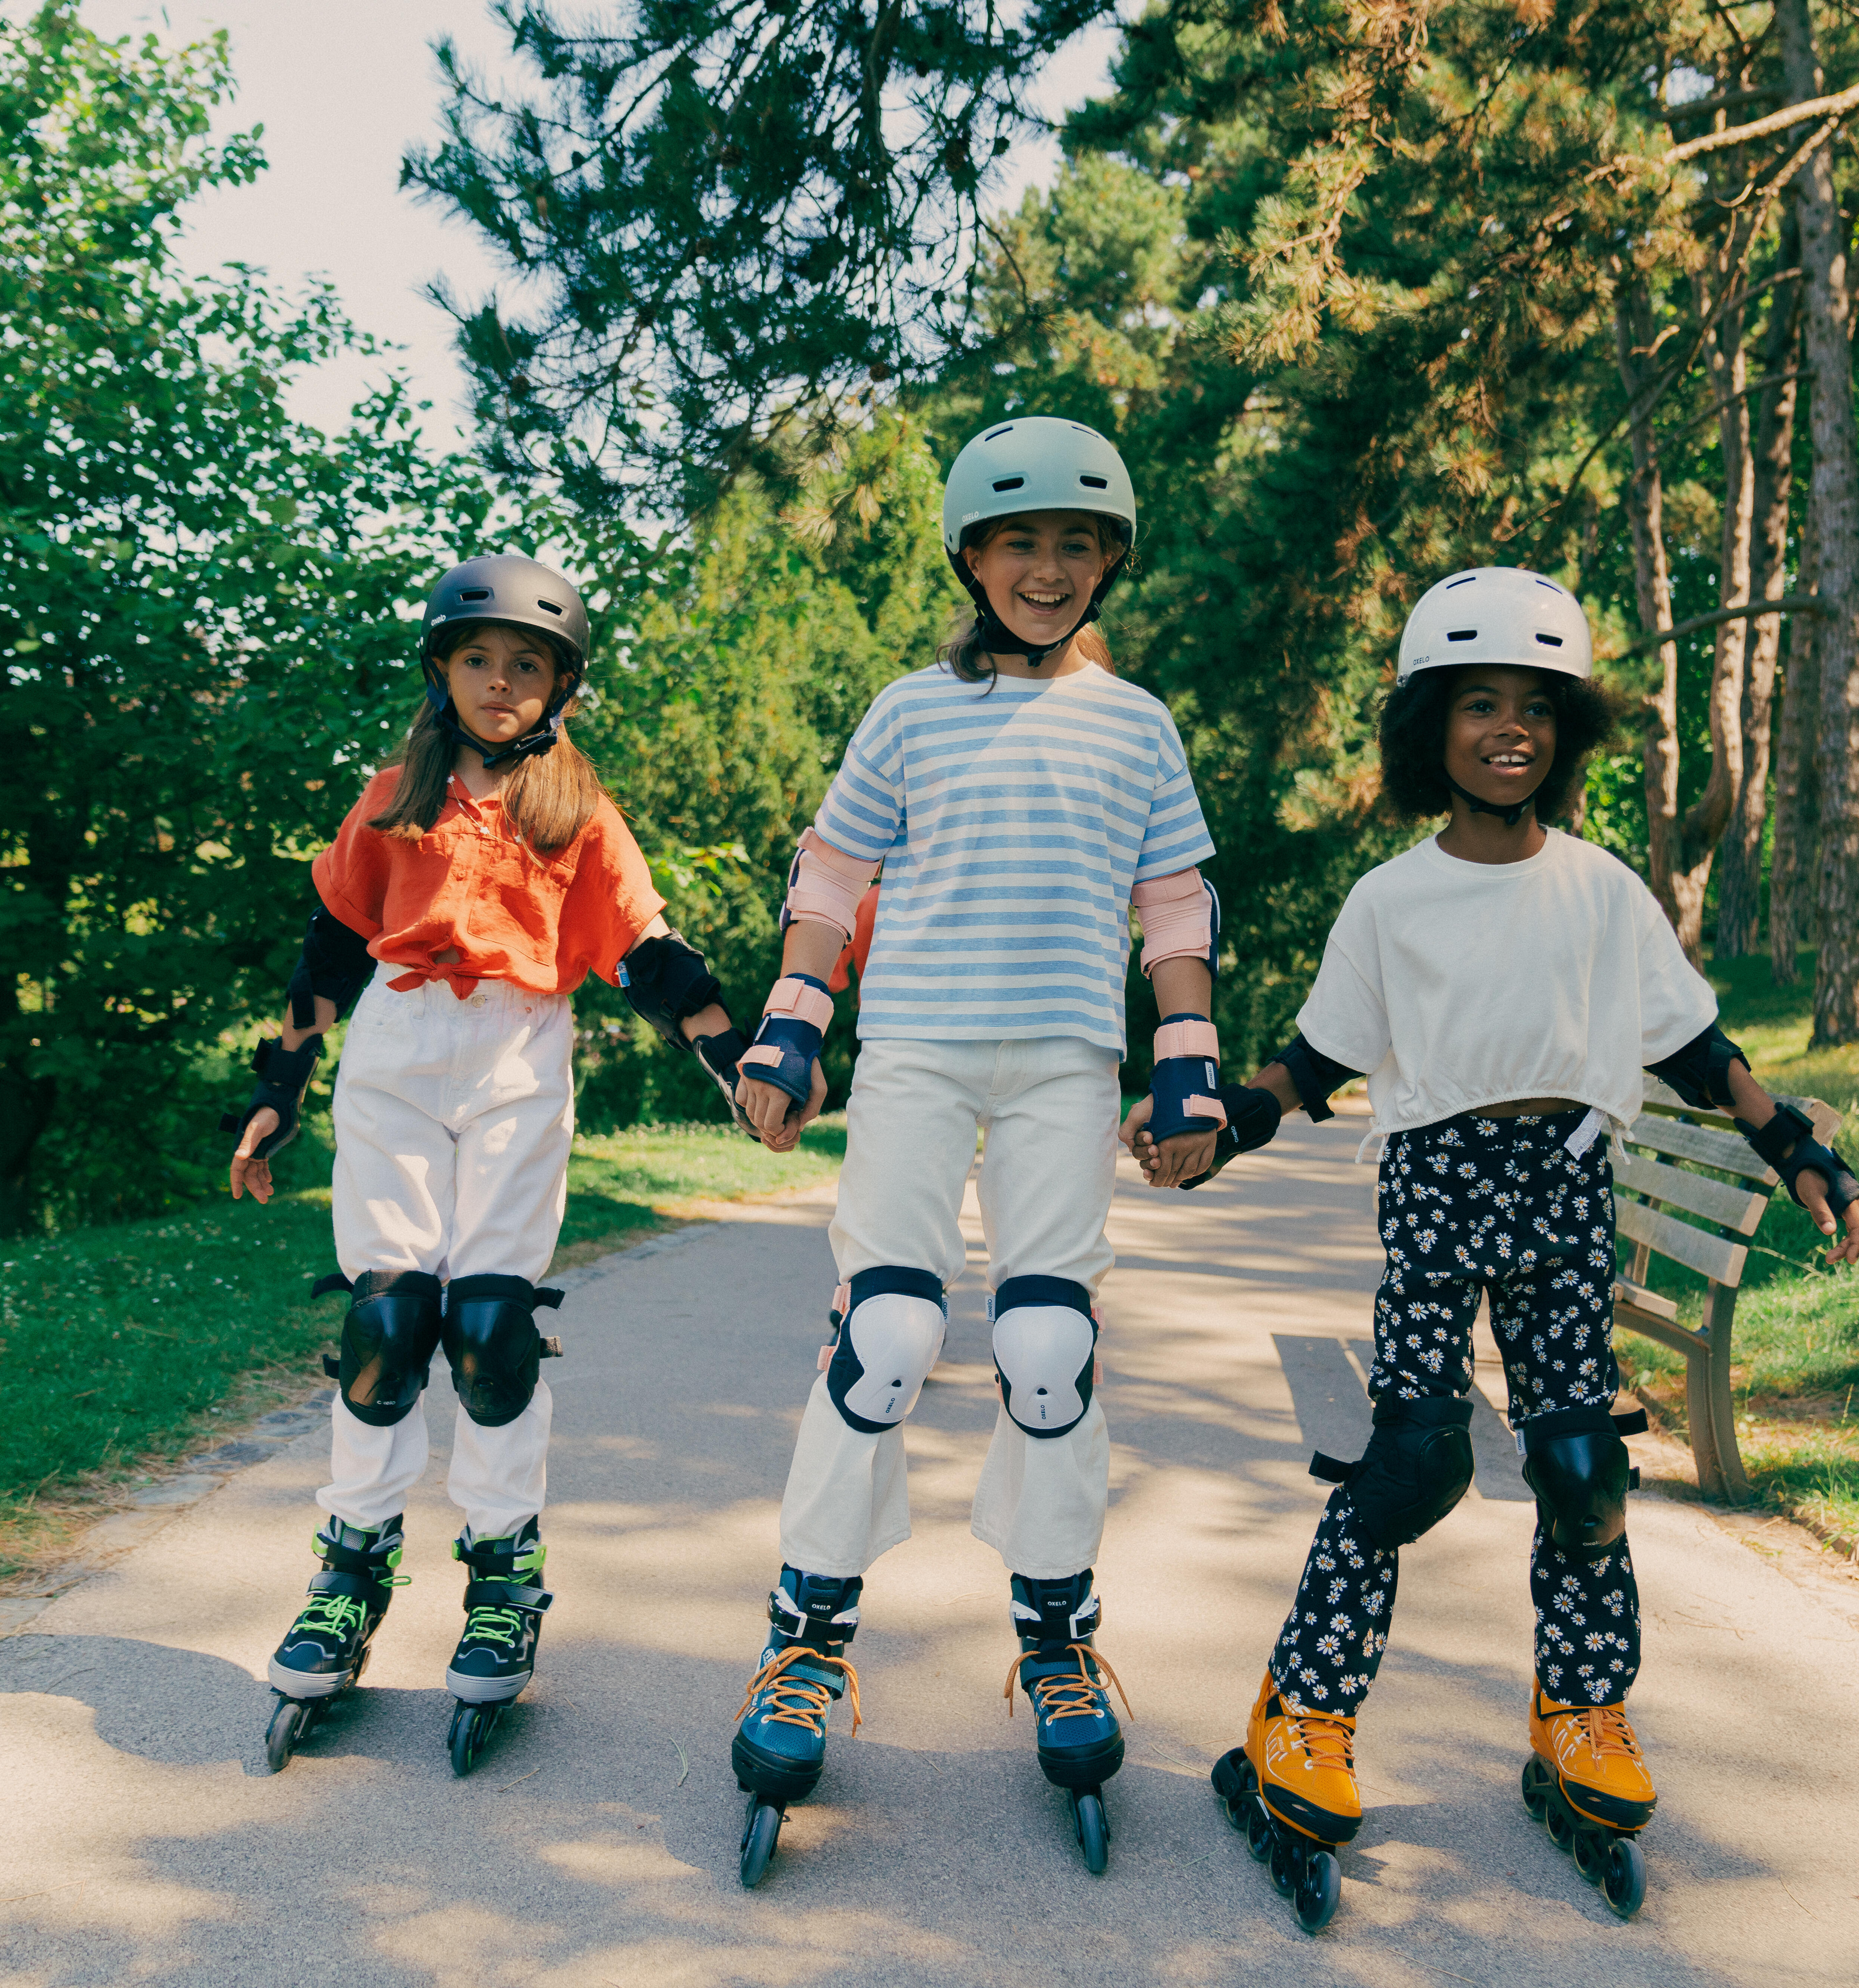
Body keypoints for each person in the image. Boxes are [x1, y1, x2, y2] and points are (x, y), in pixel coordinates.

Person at [1135, 566, 1859, 1927]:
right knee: (1412, 1465)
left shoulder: (1602, 892)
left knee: (1581, 1467)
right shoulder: (1389, 901)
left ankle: (1583, 1715)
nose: (1508, 729)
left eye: (1535, 707)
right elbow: (1315, 1063)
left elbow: (1699, 1051)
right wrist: (1224, 1127)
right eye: (1479, 705)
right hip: (1434, 1184)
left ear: (1568, 731)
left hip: (1566, 1187)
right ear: (1433, 730)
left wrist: (1797, 1149)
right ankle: (1300, 1718)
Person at [719, 416, 1238, 1883]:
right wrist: (792, 1020)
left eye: (1078, 543)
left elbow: (1174, 903)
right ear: (969, 555)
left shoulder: (1136, 724)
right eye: (1021, 542)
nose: (1049, 567)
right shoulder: (905, 711)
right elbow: (832, 876)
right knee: (881, 1334)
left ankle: (1057, 1637)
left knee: (1047, 1352)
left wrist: (1187, 1054)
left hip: (1067, 1061)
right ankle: (804, 1639)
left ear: (1110, 562)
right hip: (921, 1057)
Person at [222, 554, 789, 1775]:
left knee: (489, 1327)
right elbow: (325, 956)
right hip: (398, 1043)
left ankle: (502, 1573)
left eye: (525, 665)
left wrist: (738, 1063)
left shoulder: (577, 817)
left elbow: (651, 958)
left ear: (558, 687)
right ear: (442, 672)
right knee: (388, 1318)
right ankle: (351, 1570)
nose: (499, 681)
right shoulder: (390, 800)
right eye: (478, 660)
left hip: (520, 1054)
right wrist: (278, 1095)